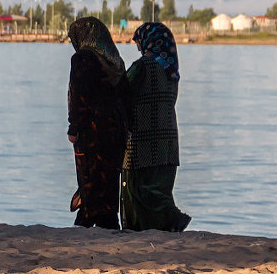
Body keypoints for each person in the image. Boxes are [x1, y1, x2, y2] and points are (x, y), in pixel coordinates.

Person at [120, 22, 191, 232]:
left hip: (142, 140)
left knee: (138, 189)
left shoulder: (142, 67)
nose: (139, 48)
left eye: (140, 43)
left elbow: (122, 90)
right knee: (159, 189)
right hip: (168, 141)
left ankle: (171, 221)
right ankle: (167, 227)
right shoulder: (171, 70)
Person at [66, 17, 130, 229]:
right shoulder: (115, 61)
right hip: (117, 131)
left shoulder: (83, 58)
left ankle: (86, 221)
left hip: (92, 132)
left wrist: (73, 128)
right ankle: (107, 222)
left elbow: (79, 97)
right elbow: (124, 97)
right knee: (109, 180)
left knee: (89, 179)